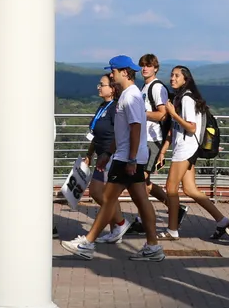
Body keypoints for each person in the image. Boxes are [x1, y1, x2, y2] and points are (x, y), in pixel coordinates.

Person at [61, 56, 165, 261]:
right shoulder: (127, 95)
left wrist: (131, 159)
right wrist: (108, 152)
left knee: (108, 200)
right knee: (141, 200)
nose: (111, 74)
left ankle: (87, 243)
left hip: (127, 158)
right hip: (126, 155)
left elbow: (135, 127)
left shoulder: (131, 97)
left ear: (125, 72)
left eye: (114, 71)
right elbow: (124, 130)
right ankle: (153, 247)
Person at [156, 65, 229, 241]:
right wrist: (163, 151)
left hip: (186, 149)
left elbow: (191, 127)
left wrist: (172, 114)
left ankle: (172, 230)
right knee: (191, 190)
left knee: (171, 189)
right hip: (184, 148)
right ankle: (222, 221)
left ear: (186, 79)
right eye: (171, 75)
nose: (172, 78)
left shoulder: (187, 99)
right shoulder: (179, 98)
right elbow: (174, 130)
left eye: (177, 76)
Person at [127, 54, 183, 235]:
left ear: (155, 68)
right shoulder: (145, 87)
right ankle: (175, 208)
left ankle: (143, 220)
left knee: (139, 182)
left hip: (153, 140)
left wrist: (141, 113)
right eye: (142, 65)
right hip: (146, 139)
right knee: (146, 182)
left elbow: (162, 114)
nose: (145, 69)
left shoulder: (157, 88)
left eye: (148, 66)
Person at [83, 74, 129, 241]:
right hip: (101, 156)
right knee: (102, 194)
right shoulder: (103, 106)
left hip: (111, 156)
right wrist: (89, 154)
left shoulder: (115, 108)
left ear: (112, 89)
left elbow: (120, 133)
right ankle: (116, 230)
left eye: (102, 85)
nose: (98, 87)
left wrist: (110, 153)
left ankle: (121, 223)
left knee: (100, 193)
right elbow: (95, 134)